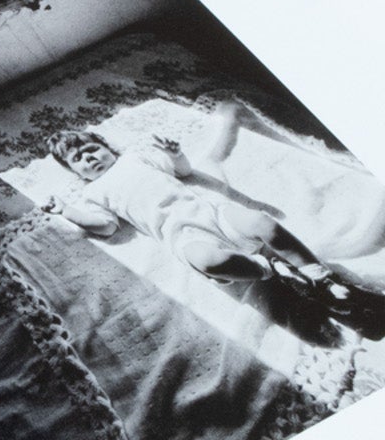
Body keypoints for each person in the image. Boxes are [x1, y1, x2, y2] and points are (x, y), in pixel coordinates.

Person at [43, 104, 364, 315]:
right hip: (182, 235)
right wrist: (66, 211)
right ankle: (270, 269)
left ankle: (319, 276)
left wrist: (175, 153)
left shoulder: (135, 158)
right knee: (210, 261)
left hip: (210, 213)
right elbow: (106, 227)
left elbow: (182, 172)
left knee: (261, 222)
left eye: (92, 149)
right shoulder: (93, 193)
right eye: (78, 159)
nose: (89, 158)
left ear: (107, 147)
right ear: (75, 172)